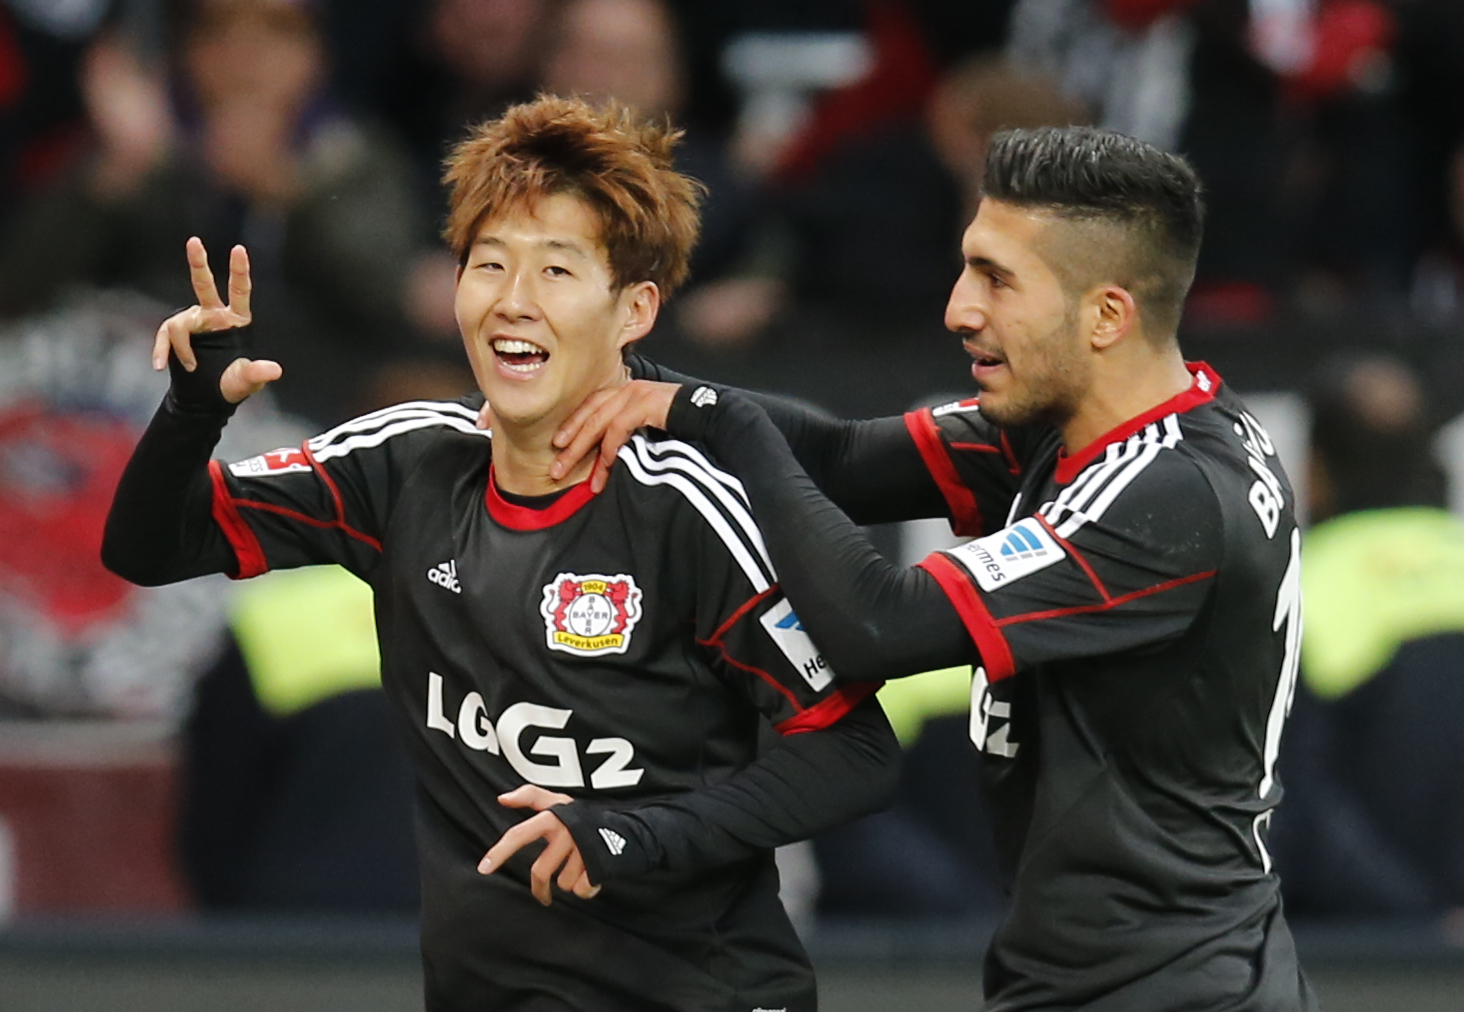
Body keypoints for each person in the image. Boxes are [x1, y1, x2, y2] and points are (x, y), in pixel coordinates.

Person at [102, 96, 898, 1011]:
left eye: (556, 269)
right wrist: (191, 413)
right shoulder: (404, 465)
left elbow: (853, 752)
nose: (512, 301)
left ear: (634, 308)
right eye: (488, 264)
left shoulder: (687, 509)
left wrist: (628, 837)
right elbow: (151, 547)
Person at [548, 126, 1316, 1009]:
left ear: (1106, 315)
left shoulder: (1170, 496)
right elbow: (834, 457)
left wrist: (720, 420)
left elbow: (877, 624)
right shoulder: (1086, 425)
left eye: (997, 278)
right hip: (1109, 973)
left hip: (1173, 990)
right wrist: (615, 365)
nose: (957, 308)